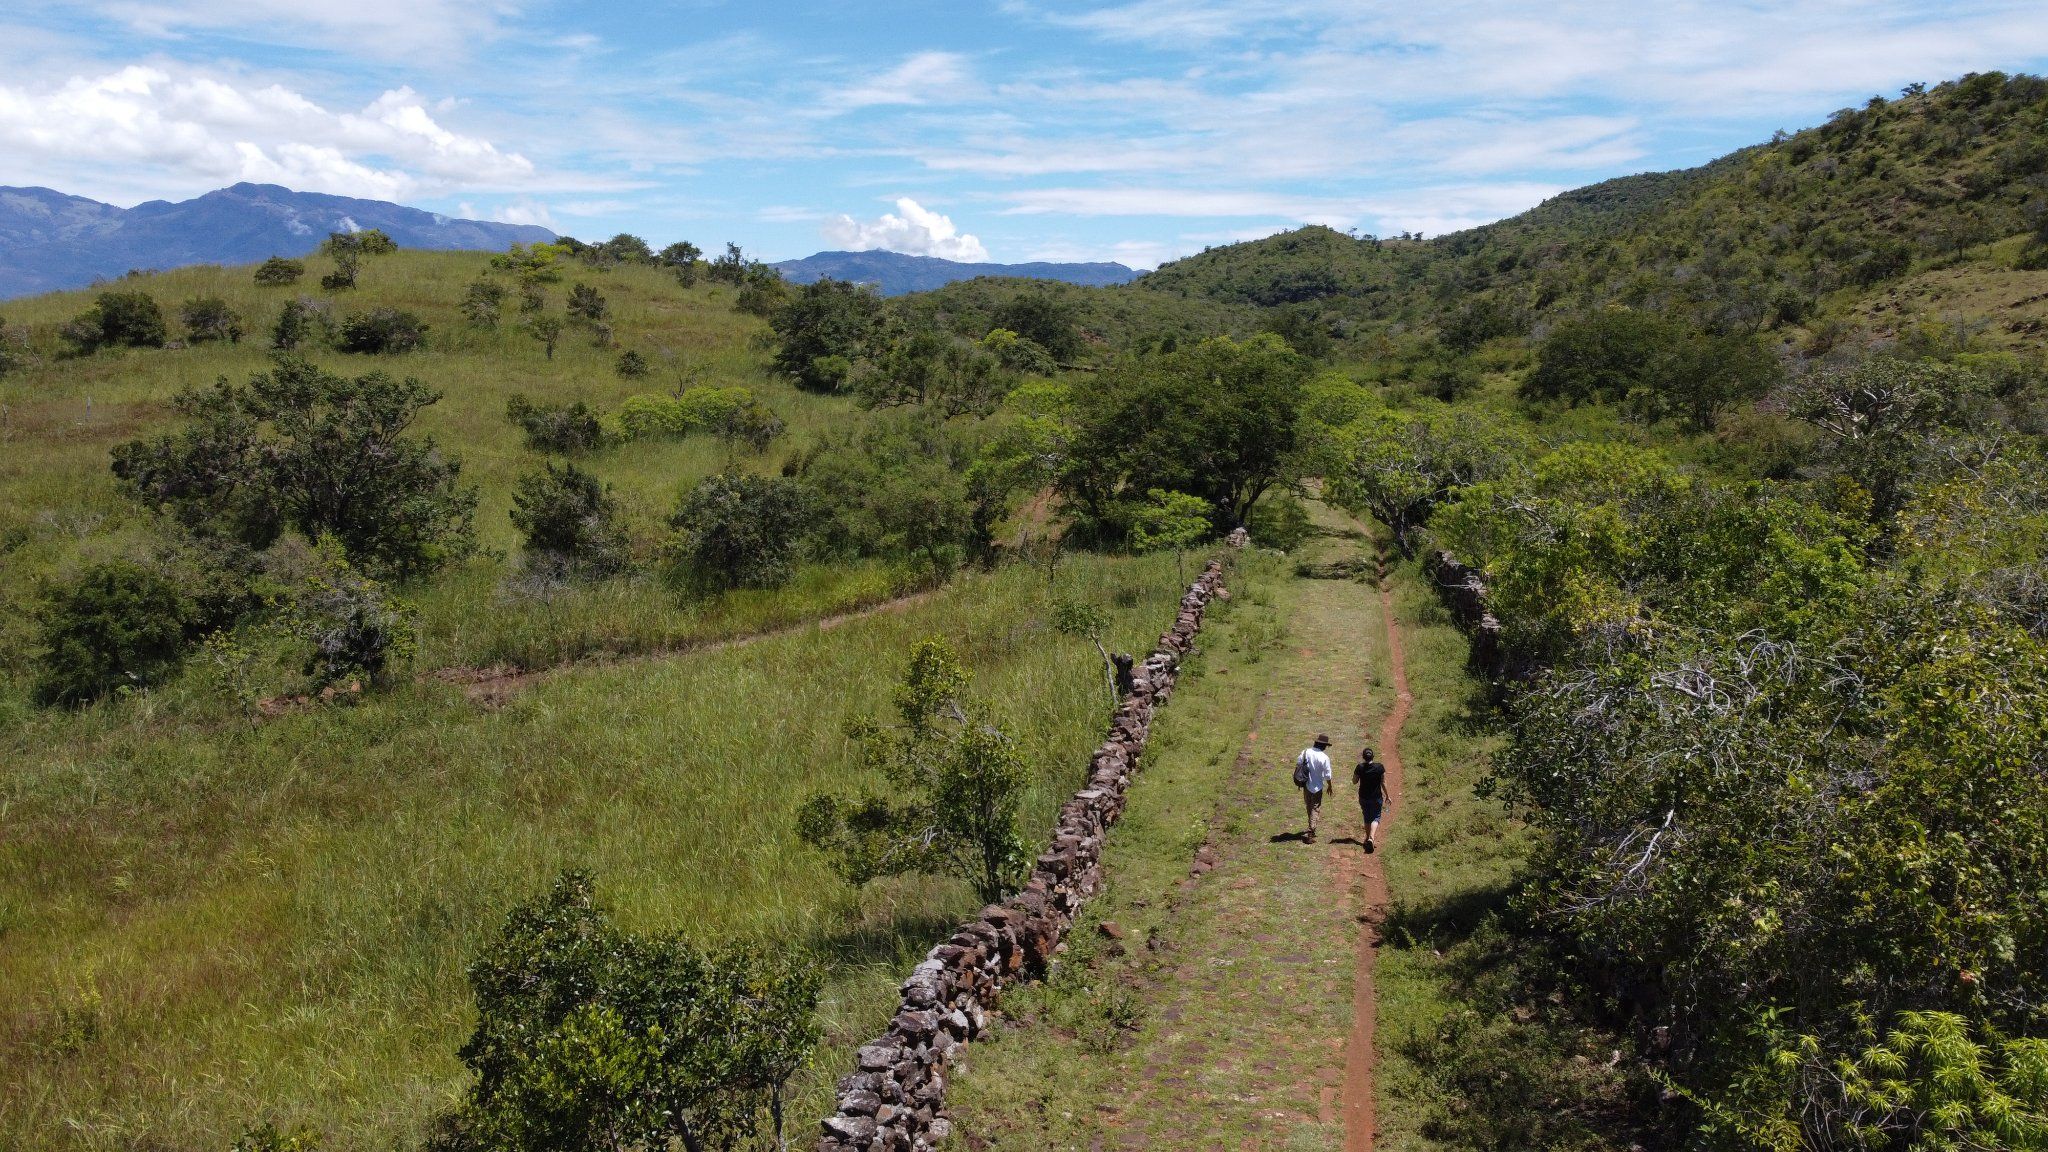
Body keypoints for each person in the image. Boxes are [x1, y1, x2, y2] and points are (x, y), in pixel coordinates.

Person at [1294, 733, 1334, 842]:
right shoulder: (1324, 757)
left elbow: (1298, 764)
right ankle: (1310, 832)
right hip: (1318, 787)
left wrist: (1299, 781)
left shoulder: (1305, 752)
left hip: (1306, 785)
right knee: (1315, 808)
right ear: (1323, 746)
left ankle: (1310, 828)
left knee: (1309, 806)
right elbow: (1327, 775)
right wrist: (1330, 786)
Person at [1355, 749, 1389, 853]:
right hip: (1376, 797)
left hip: (1363, 797)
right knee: (1376, 816)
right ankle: (1371, 838)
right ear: (1373, 757)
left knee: (1366, 816)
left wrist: (1357, 775)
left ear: (1363, 757)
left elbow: (1354, 781)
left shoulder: (1360, 767)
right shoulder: (1379, 767)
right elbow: (1383, 783)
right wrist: (1388, 796)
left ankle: (1367, 838)